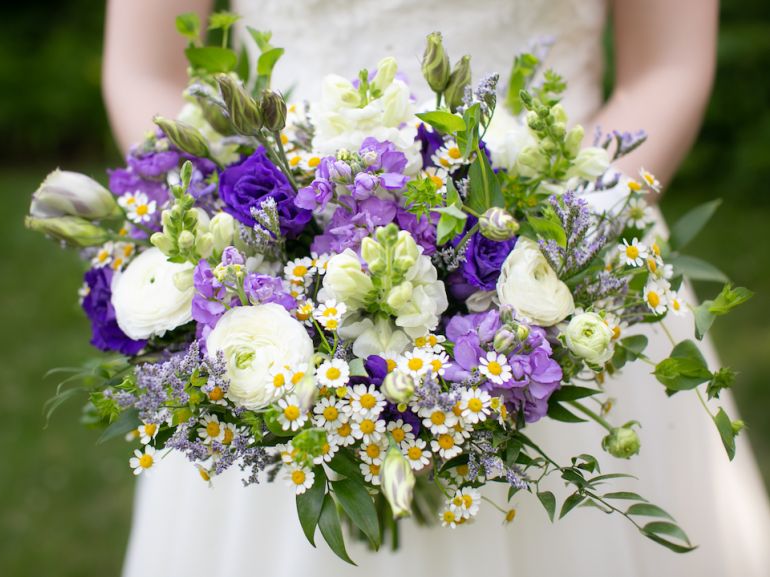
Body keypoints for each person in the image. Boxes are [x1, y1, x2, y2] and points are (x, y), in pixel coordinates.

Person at [103, 1, 770, 575]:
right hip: (276, 290)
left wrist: (562, 235)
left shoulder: (557, 260)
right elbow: (143, 70)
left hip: (553, 271)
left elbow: (670, 65)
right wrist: (243, 245)